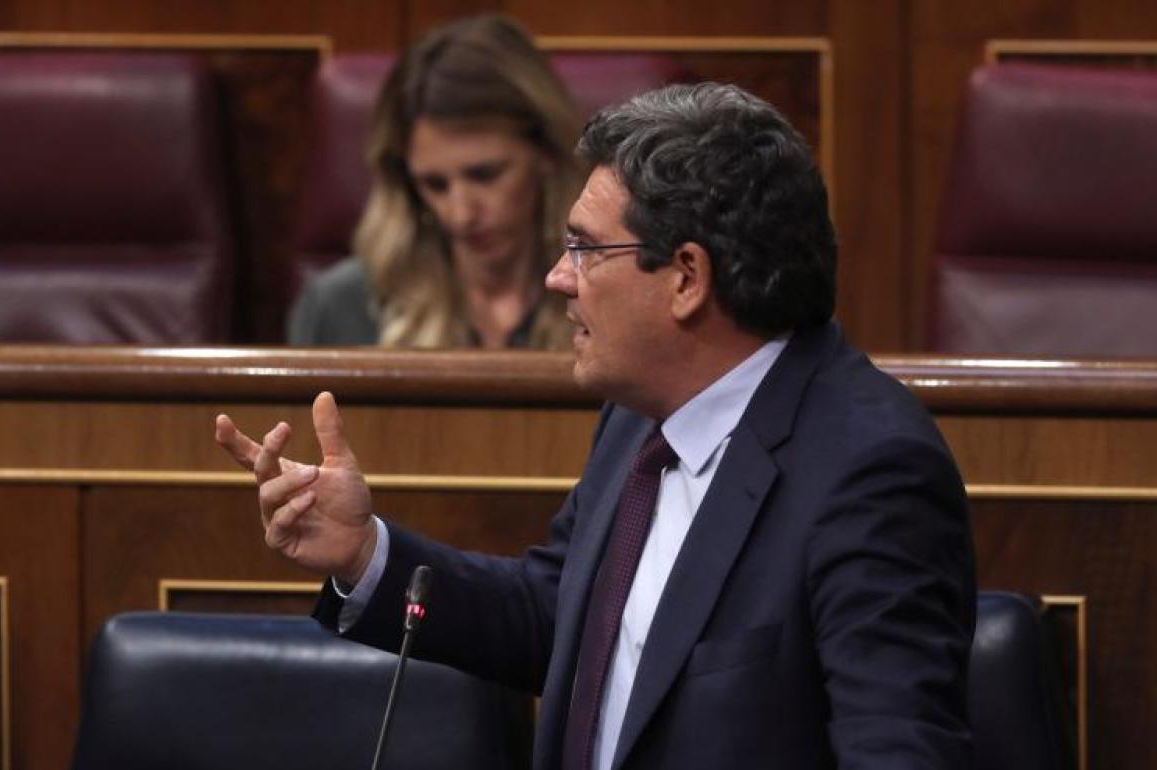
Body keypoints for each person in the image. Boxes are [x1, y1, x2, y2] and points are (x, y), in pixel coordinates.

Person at [218, 82, 976, 768]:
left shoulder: (871, 470)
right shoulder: (639, 417)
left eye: (584, 248)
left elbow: (898, 754)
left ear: (686, 277)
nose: (557, 277)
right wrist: (364, 553)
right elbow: (563, 618)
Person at [288, 14, 582, 349]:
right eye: (435, 184)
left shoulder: (604, 295)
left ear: (546, 154)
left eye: (485, 175)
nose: (461, 215)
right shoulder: (340, 306)